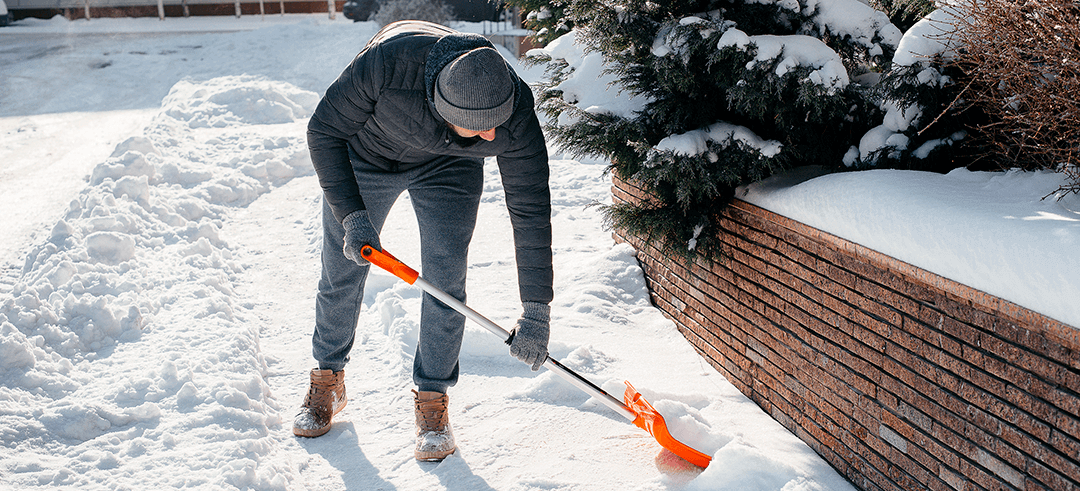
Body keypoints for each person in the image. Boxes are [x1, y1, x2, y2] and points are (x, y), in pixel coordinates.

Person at [293, 20, 554, 463]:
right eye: (480, 127)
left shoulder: (513, 113)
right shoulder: (386, 67)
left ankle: (433, 399)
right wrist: (353, 217)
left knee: (446, 276)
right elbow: (323, 132)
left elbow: (530, 210)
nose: (493, 136)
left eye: (496, 125)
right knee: (343, 267)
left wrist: (536, 310)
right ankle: (327, 377)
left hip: (450, 166)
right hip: (366, 155)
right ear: (442, 107)